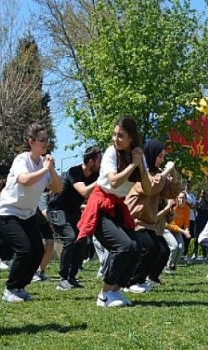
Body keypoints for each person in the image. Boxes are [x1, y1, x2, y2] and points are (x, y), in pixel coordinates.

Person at [77, 117, 152, 307]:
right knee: (124, 246)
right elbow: (114, 182)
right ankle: (104, 294)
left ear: (131, 138)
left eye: (121, 135)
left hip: (118, 206)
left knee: (136, 248)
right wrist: (133, 165)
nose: (116, 139)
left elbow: (148, 188)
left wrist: (140, 165)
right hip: (101, 205)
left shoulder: (138, 156)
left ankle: (115, 291)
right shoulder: (111, 153)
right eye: (115, 134)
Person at [0, 123, 63, 302]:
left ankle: (20, 288)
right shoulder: (22, 159)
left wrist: (51, 169)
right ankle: (9, 289)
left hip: (27, 214)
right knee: (25, 249)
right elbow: (25, 180)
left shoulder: (45, 164)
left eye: (47, 140)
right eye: (42, 140)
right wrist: (44, 170)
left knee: (38, 250)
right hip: (8, 212)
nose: (46, 143)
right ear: (31, 142)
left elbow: (58, 188)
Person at [124, 139, 180, 293]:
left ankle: (143, 279)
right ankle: (131, 282)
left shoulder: (158, 174)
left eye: (163, 156)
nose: (162, 159)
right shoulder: (141, 172)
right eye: (160, 156)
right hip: (133, 221)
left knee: (161, 250)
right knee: (150, 247)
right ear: (151, 154)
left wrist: (173, 173)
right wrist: (166, 172)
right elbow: (151, 187)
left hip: (147, 223)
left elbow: (173, 192)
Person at [47, 146, 102, 290]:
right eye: (99, 161)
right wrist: (101, 180)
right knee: (71, 238)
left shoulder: (95, 176)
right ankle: (63, 279)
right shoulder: (74, 172)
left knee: (83, 239)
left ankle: (72, 277)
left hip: (73, 212)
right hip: (57, 210)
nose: (101, 164)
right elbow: (84, 192)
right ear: (91, 162)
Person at [164, 194, 191, 272]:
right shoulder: (173, 207)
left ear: (186, 199)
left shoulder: (187, 209)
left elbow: (186, 223)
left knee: (181, 247)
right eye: (180, 198)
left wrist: (187, 230)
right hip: (167, 229)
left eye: (183, 198)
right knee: (174, 246)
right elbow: (171, 225)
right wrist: (184, 232)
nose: (181, 200)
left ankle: (173, 265)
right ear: (177, 198)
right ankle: (168, 266)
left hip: (177, 230)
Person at [184, 180, 199, 260]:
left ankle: (185, 252)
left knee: (189, 236)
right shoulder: (183, 194)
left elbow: (196, 204)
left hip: (192, 217)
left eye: (190, 185)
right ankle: (182, 252)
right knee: (184, 235)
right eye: (187, 185)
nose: (188, 186)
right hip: (185, 217)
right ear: (185, 185)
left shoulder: (192, 195)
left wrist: (194, 206)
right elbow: (184, 202)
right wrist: (191, 205)